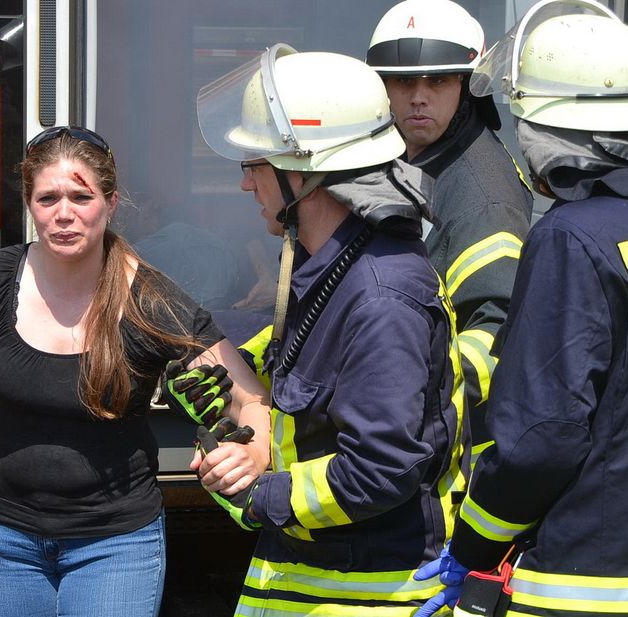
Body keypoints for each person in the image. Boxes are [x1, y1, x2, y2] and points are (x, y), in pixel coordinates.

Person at [414, 0, 628, 616]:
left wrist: (475, 545)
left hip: (590, 592)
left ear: (545, 129)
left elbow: (540, 437)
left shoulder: (571, 237)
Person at [0, 125, 271, 617]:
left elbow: (253, 399)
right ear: (30, 205)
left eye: (81, 196)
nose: (63, 214)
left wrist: (256, 450)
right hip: (2, 540)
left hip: (116, 546)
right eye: (47, 198)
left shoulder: (150, 300)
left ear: (111, 202)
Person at [194, 45, 464, 615]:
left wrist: (258, 494)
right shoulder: (327, 271)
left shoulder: (380, 294)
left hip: (368, 592)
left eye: (255, 165)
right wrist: (234, 382)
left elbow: (381, 468)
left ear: (305, 172)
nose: (247, 186)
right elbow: (315, 368)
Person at [367, 0, 533, 472]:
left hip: (439, 451)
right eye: (403, 82)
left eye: (437, 81)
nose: (418, 96)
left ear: (468, 86)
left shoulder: (483, 196)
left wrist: (395, 389)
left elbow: (496, 333)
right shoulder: (398, 159)